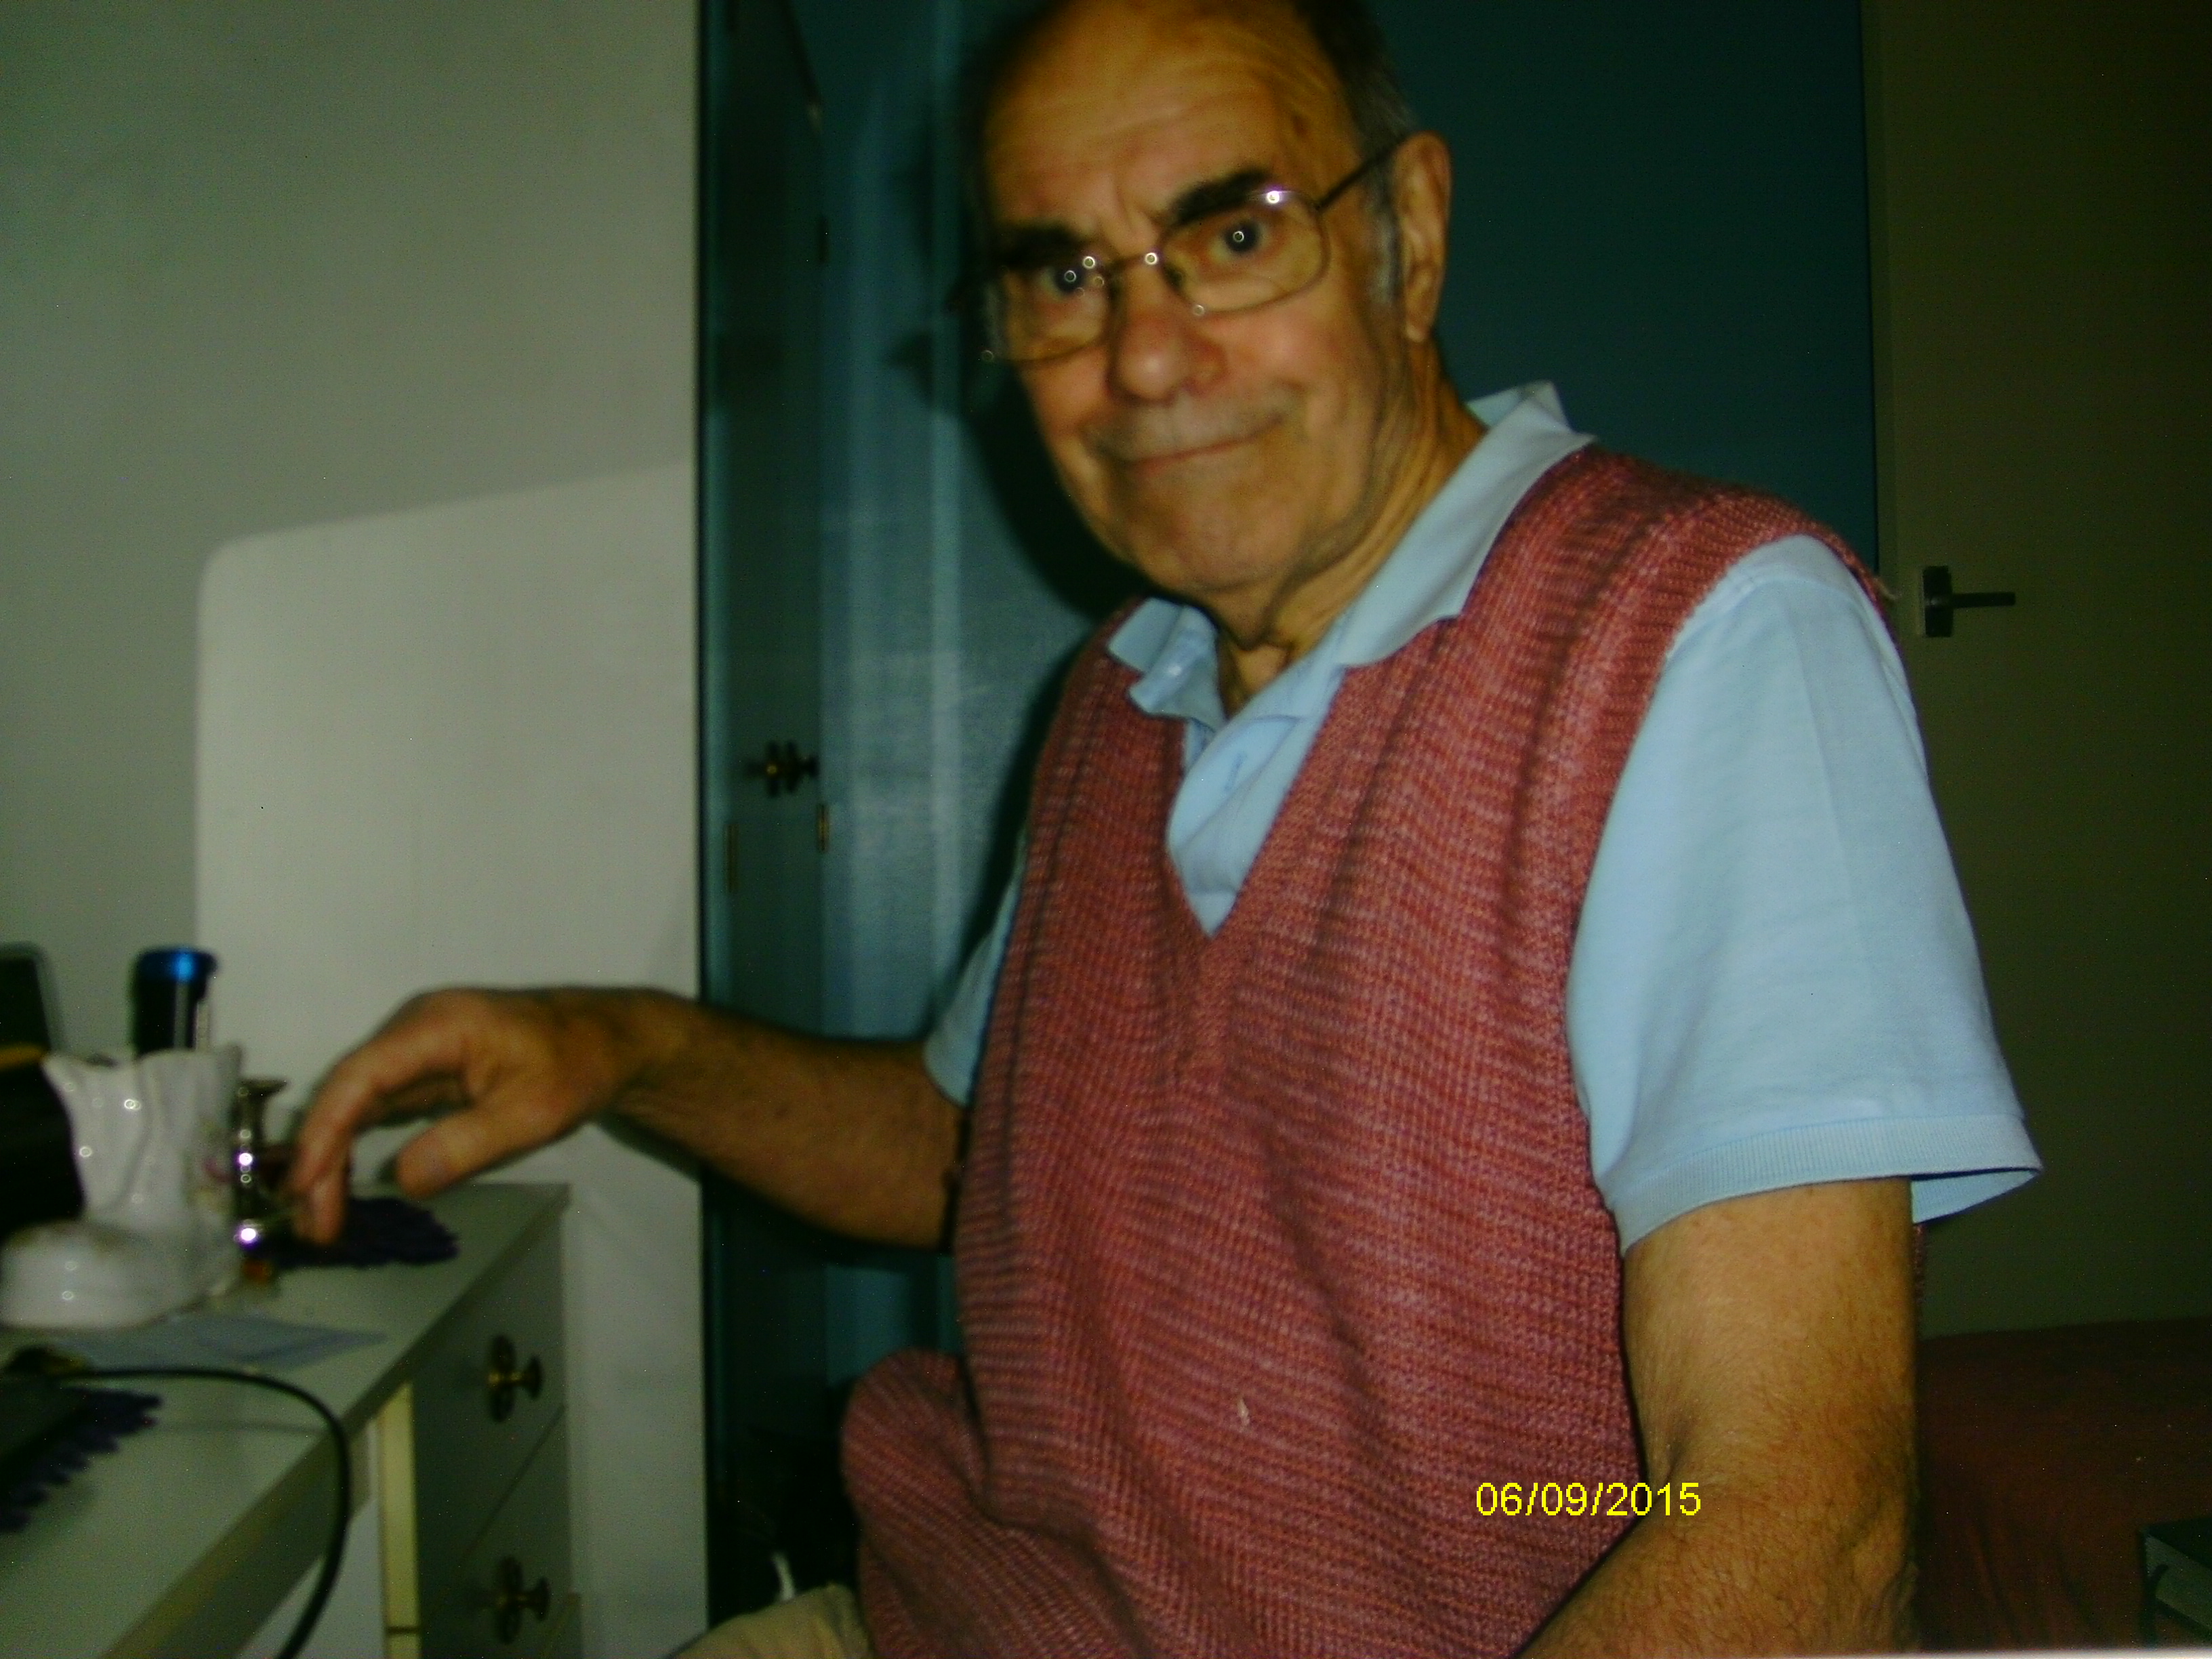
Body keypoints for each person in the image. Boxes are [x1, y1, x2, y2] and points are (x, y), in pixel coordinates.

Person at [289, 1, 2041, 1654]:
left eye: (1235, 232)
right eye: (1065, 274)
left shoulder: (1700, 629)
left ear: (1411, 238)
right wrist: (619, 1046)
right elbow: (954, 1147)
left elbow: (1797, 1525)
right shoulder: (1121, 690)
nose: (1142, 355)